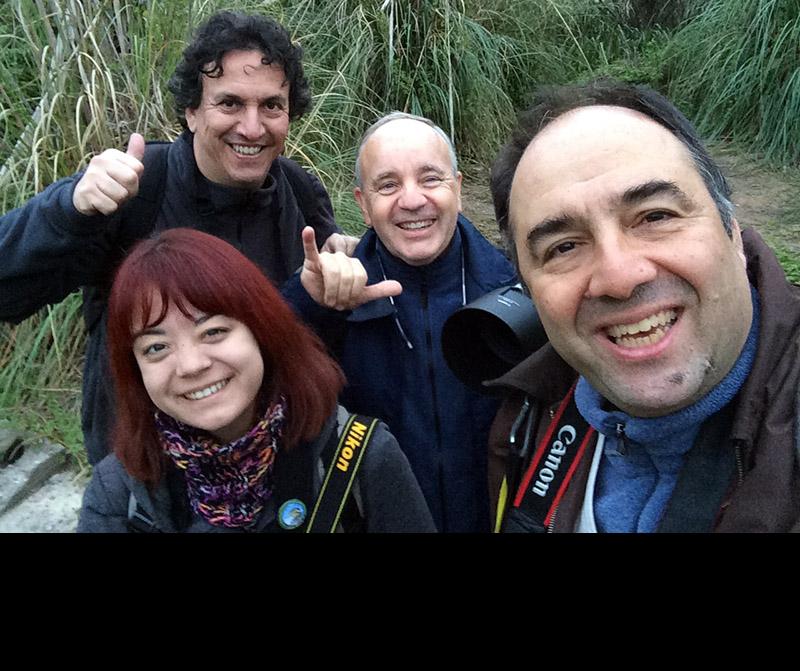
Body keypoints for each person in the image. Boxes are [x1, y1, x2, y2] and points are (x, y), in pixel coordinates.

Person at [0, 10, 370, 465]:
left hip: (273, 464)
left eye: (271, 106)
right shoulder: (134, 192)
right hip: (151, 474)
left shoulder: (299, 190)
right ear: (192, 112)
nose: (253, 127)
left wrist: (341, 271)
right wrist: (68, 210)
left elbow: (314, 320)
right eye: (230, 103)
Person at [487, 77, 800, 533]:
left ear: (731, 231)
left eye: (655, 216)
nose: (619, 277)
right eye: (564, 247)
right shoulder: (525, 421)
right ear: (530, 291)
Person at [77, 228, 434, 533]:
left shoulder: (361, 460)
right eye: (156, 347)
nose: (190, 365)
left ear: (262, 332)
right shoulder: (119, 493)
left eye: (213, 331)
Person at [285, 112, 517, 533]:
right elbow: (260, 376)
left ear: (458, 190)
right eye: (388, 185)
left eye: (430, 179)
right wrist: (309, 303)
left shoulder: (517, 291)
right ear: (363, 205)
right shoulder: (331, 300)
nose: (412, 200)